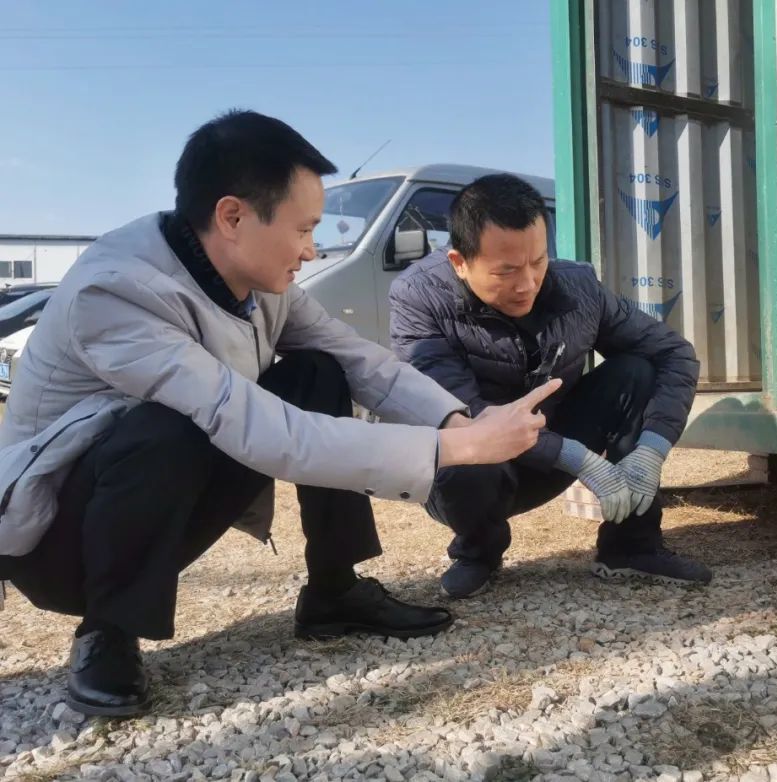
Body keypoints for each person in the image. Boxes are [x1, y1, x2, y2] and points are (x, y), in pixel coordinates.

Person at [0, 111, 560, 718]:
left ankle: (335, 591)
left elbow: (360, 359)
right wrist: (459, 451)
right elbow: (265, 430)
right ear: (232, 216)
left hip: (165, 498)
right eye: (304, 229)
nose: (311, 249)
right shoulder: (117, 292)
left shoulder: (261, 283)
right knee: (163, 425)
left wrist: (459, 423)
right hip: (61, 541)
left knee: (319, 370)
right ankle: (107, 631)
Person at [388, 173, 712, 599]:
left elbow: (675, 354)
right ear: (459, 262)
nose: (527, 284)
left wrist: (651, 450)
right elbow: (460, 410)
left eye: (538, 261)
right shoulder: (419, 297)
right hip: (472, 472)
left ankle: (632, 545)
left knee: (635, 370)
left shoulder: (580, 289)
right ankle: (478, 552)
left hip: (550, 457)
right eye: (505, 271)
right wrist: (580, 458)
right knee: (464, 442)